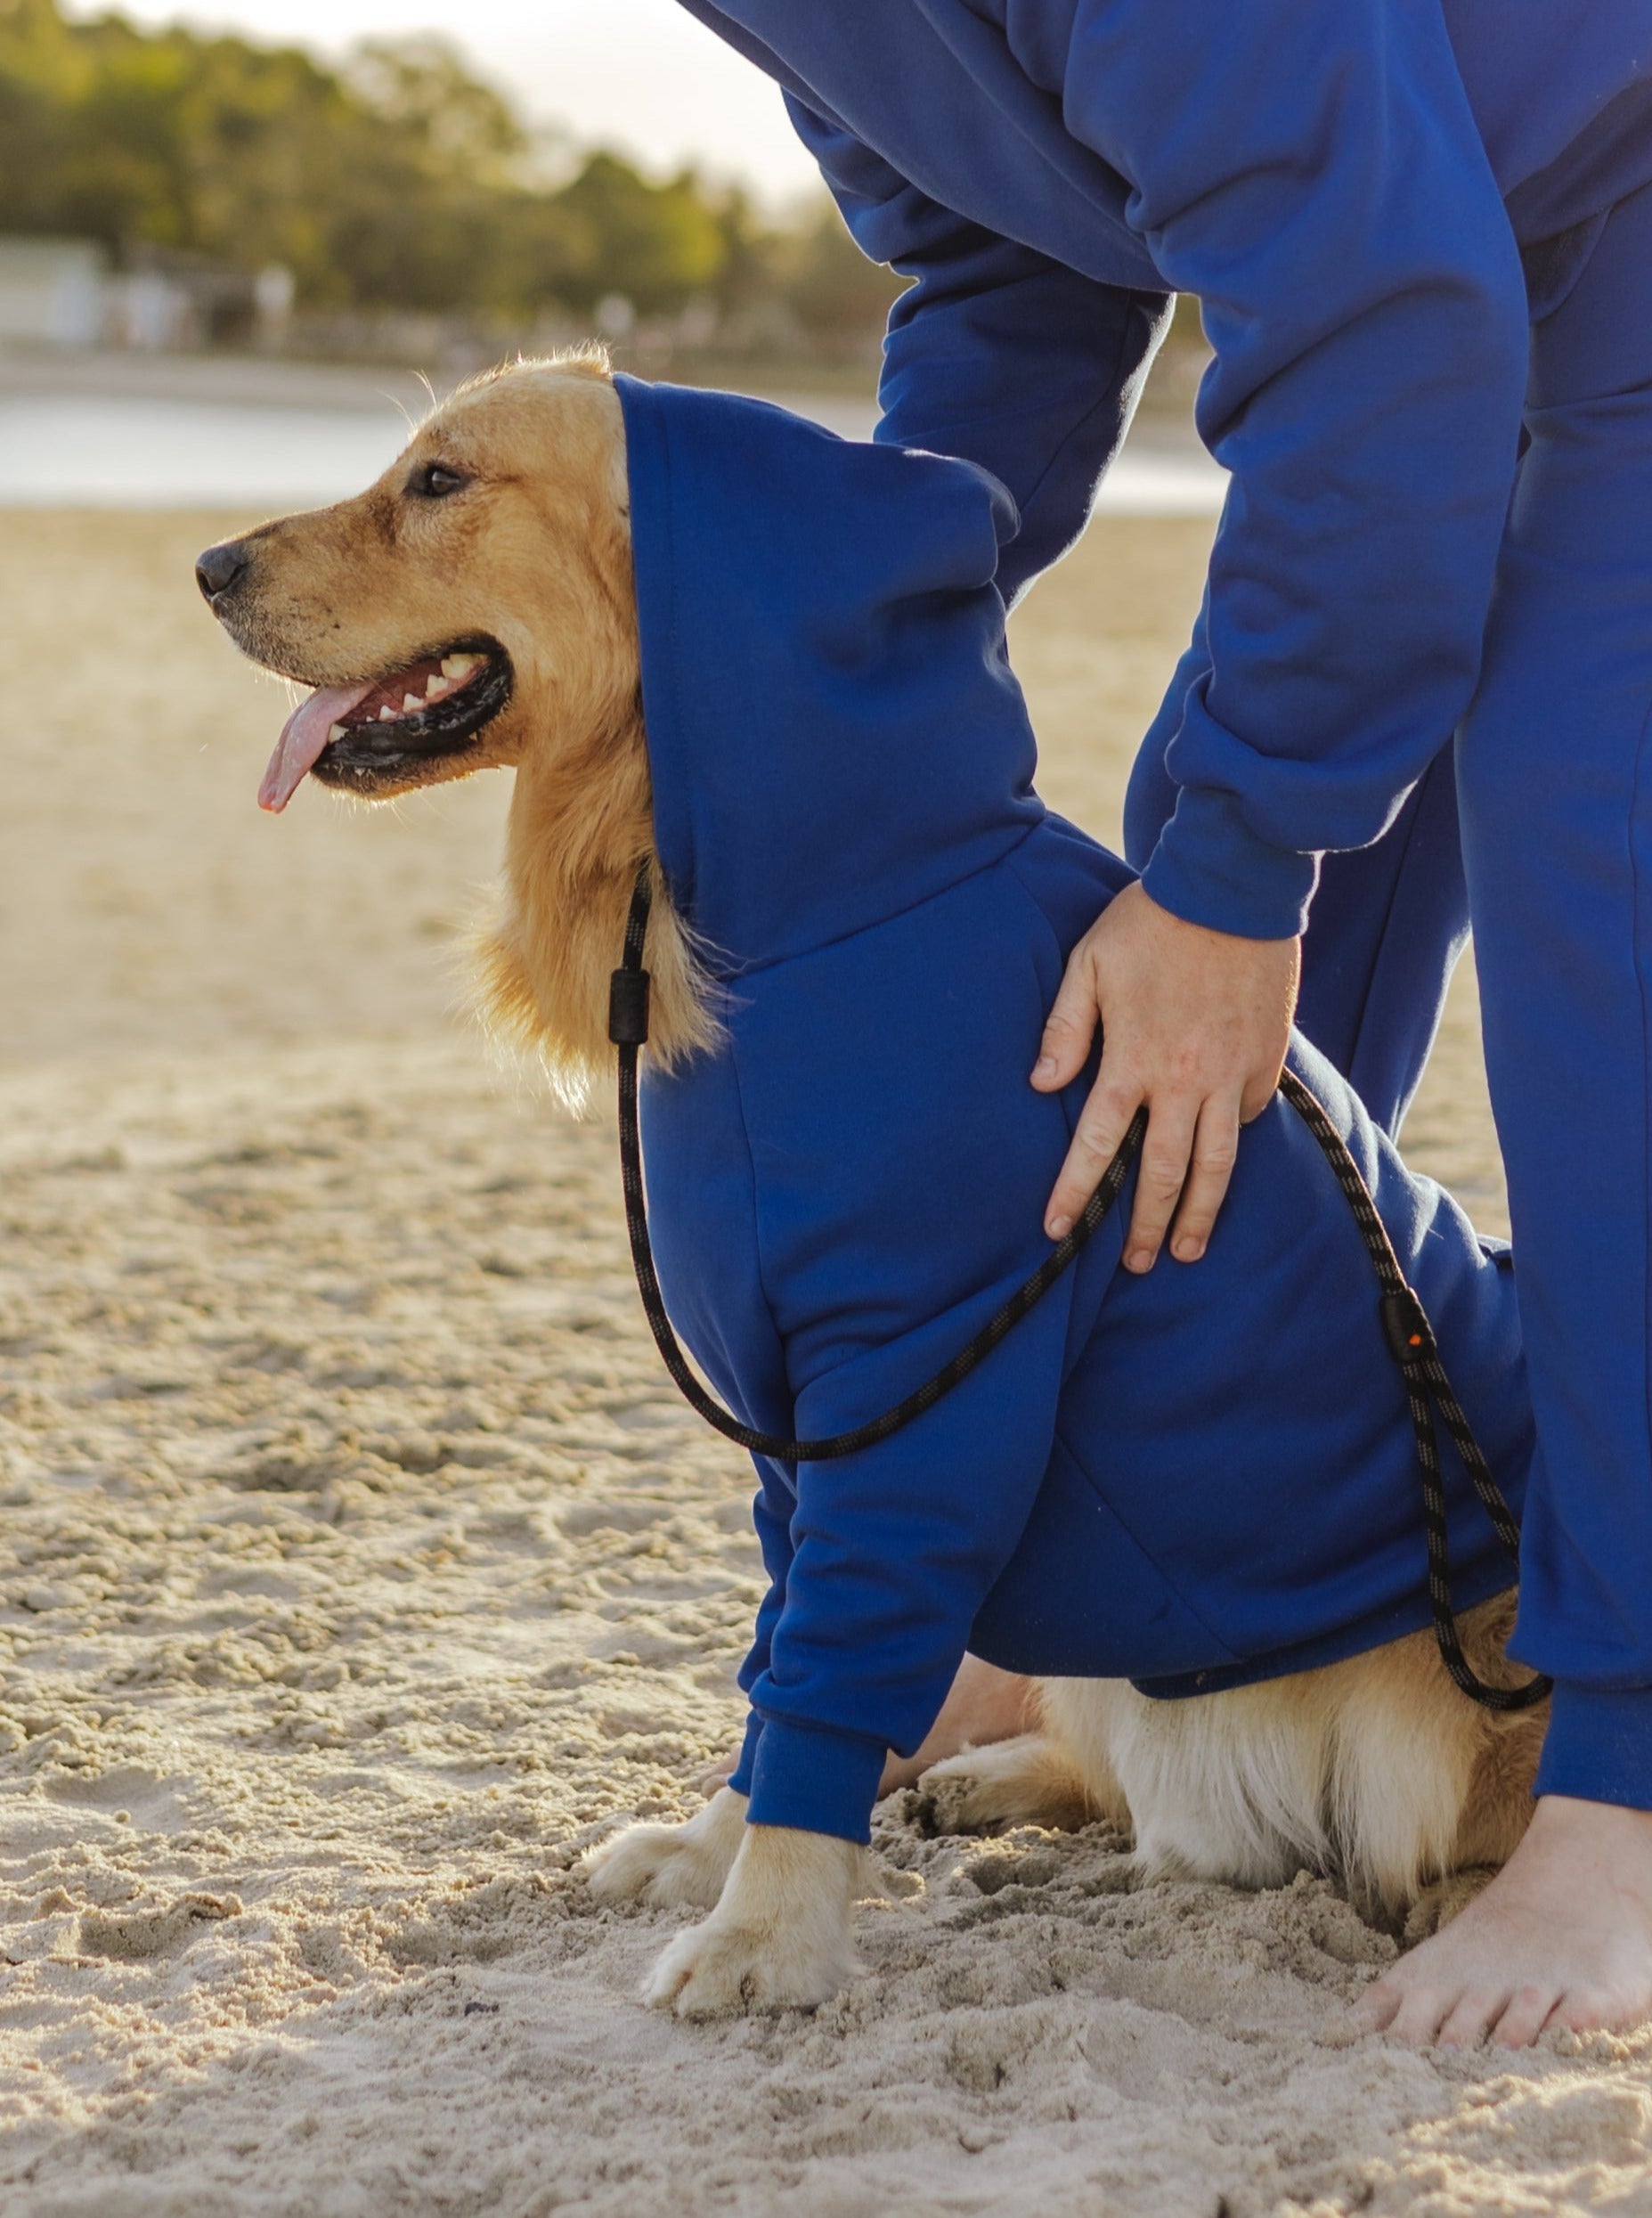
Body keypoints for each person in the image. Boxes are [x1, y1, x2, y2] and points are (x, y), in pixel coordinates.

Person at [669, 0, 1652, 2046]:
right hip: (1430, 268)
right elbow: (1001, 260)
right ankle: (1149, 1603)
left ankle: (1617, 1789)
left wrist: (1242, 864)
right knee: (1162, 1023)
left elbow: (1379, 319)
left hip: (1600, 236)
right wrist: (861, 641)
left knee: (1590, 916)